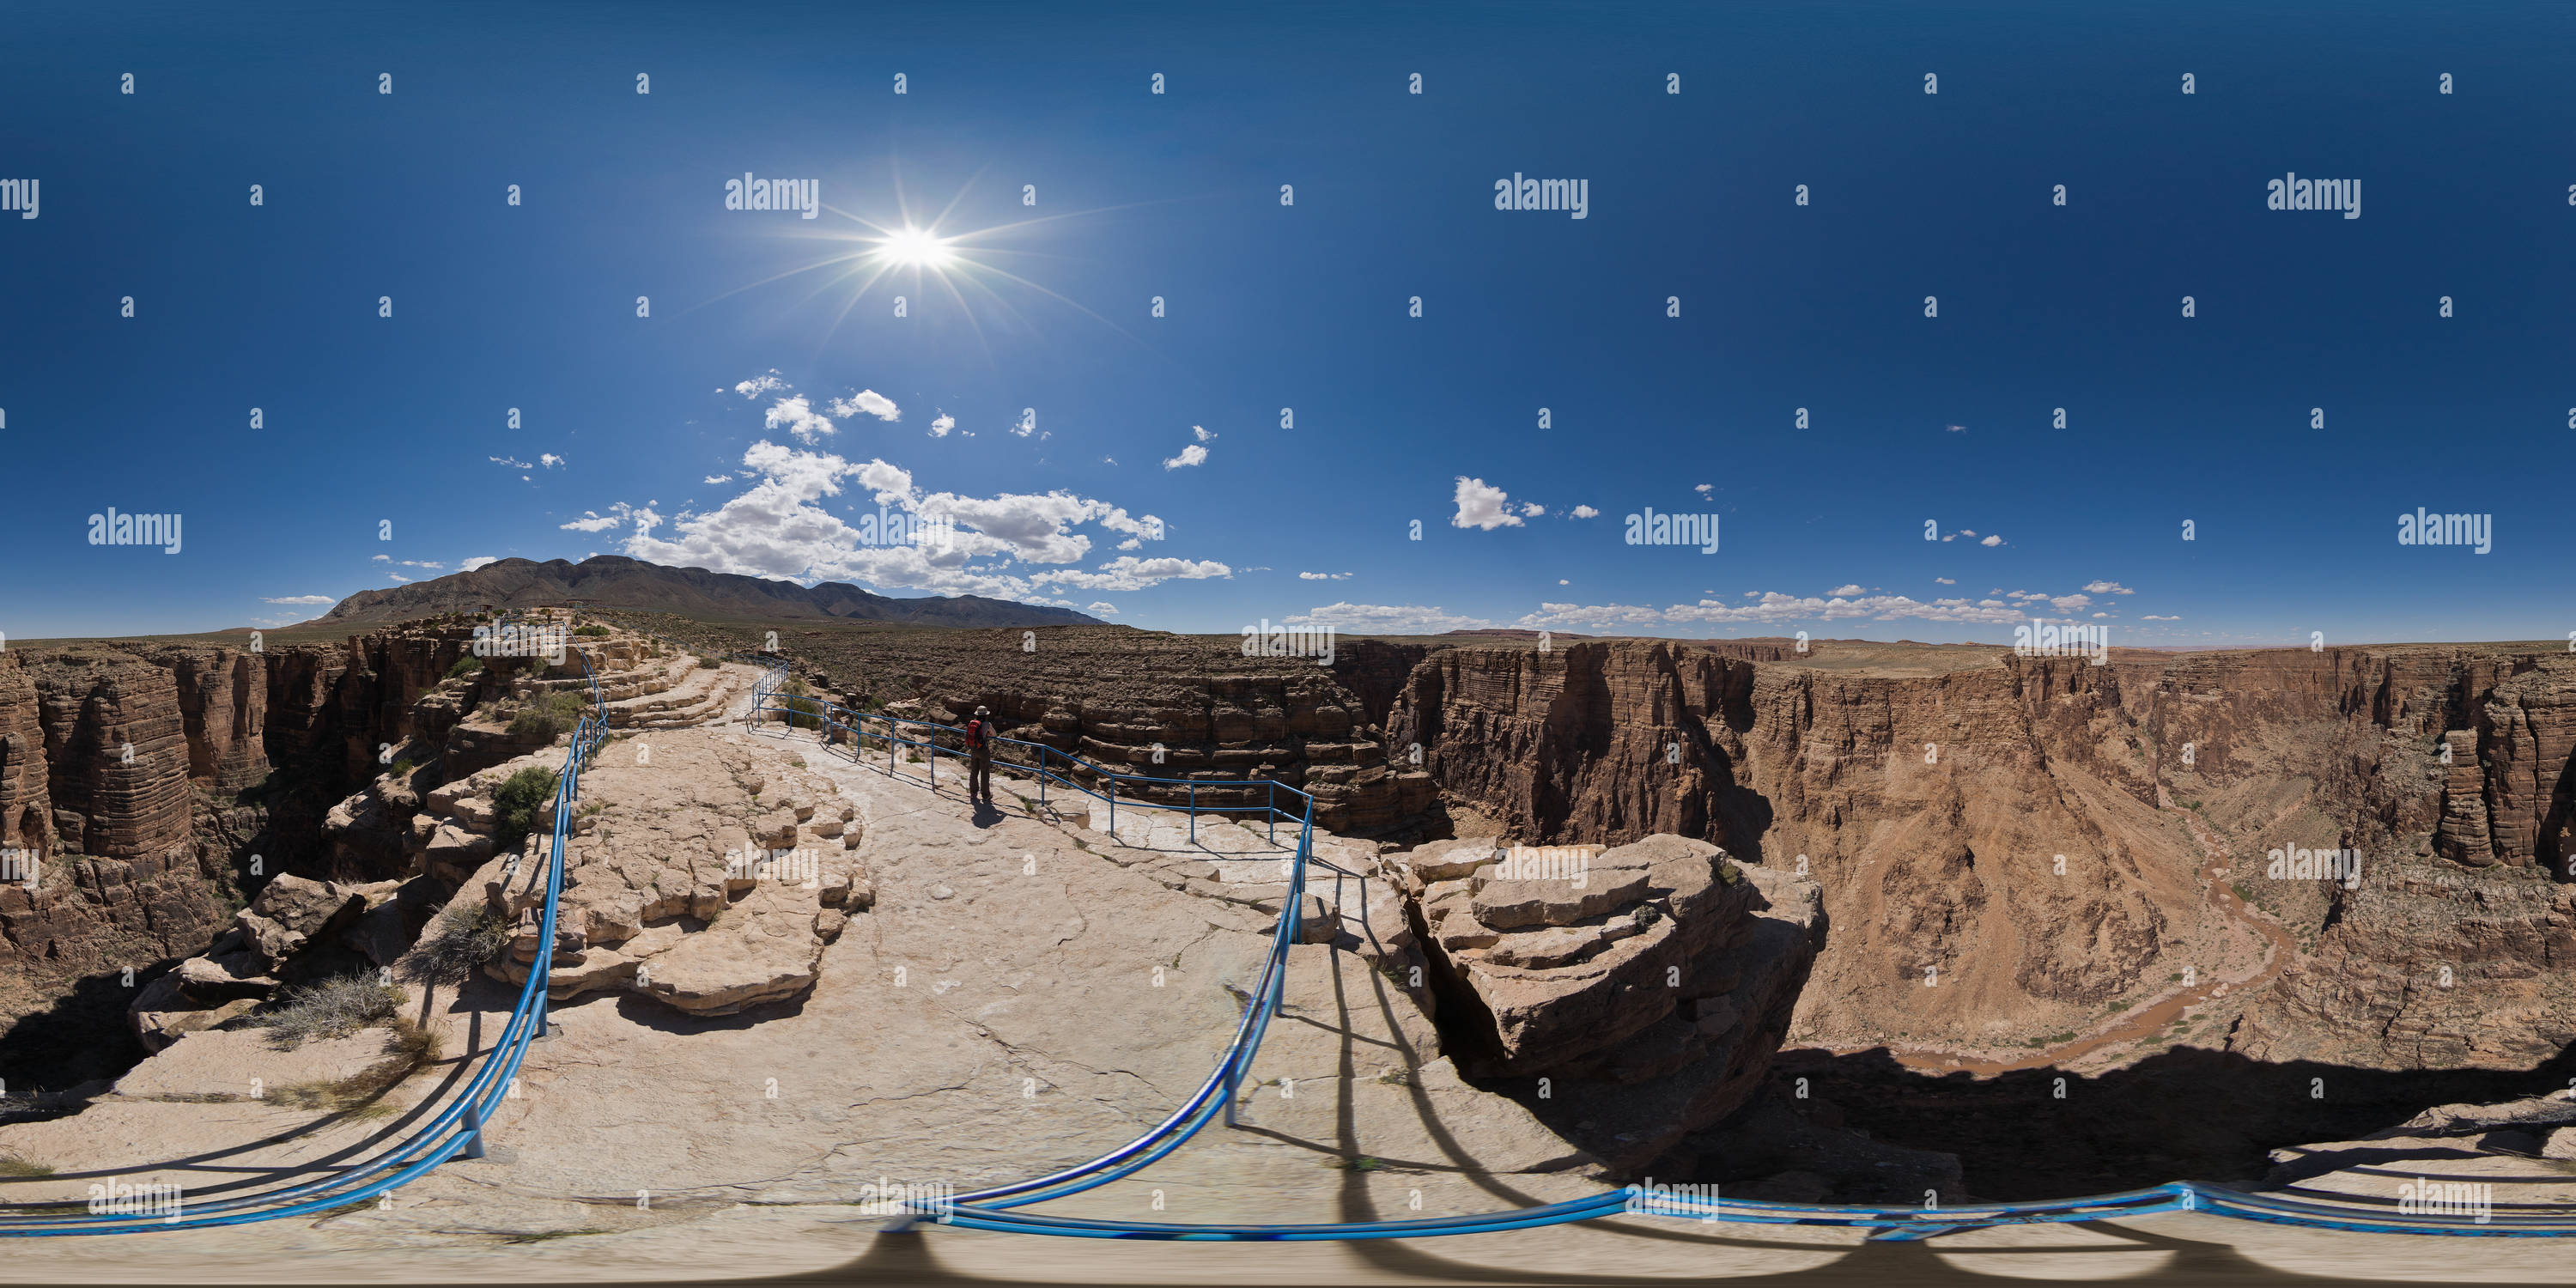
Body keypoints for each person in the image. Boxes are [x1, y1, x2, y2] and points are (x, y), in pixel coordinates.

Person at [965, 705, 993, 804]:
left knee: (974, 771)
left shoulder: (972, 723)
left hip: (973, 750)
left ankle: (973, 793)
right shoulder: (987, 724)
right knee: (985, 773)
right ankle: (986, 795)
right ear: (986, 715)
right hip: (983, 751)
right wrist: (987, 733)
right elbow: (994, 734)